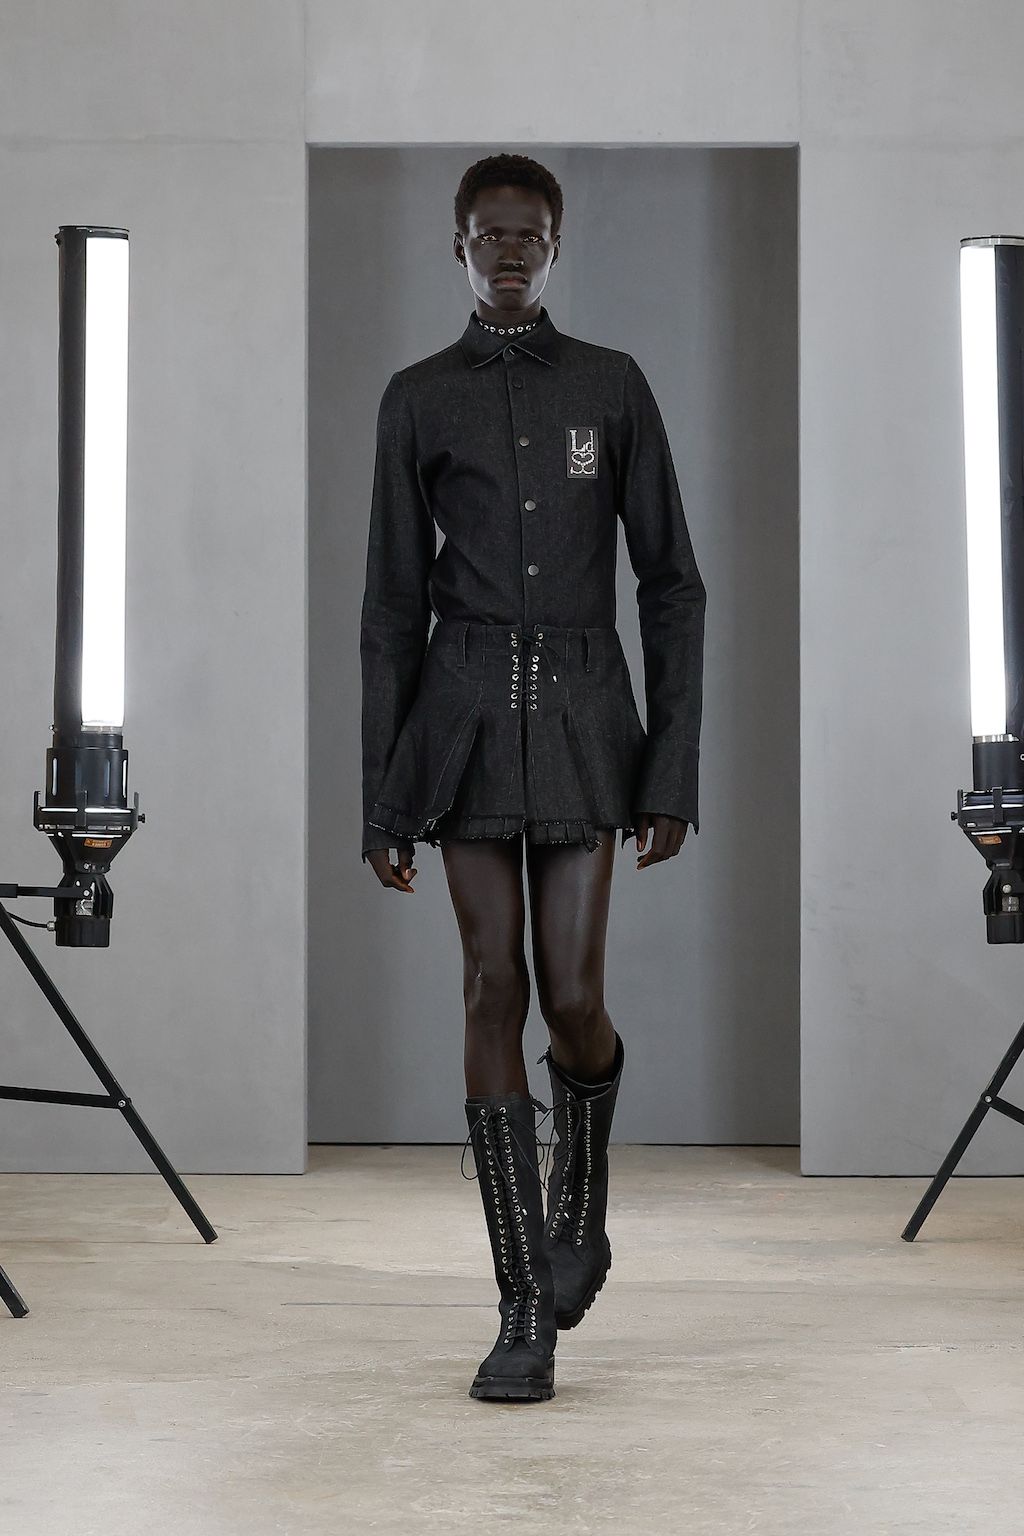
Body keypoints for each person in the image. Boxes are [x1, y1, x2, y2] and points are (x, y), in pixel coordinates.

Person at [359, 153, 705, 1402]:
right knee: (488, 985)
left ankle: (583, 1195)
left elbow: (672, 585)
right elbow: (389, 608)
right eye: (488, 233)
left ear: (556, 246)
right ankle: (520, 1307)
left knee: (571, 997)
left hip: (581, 722)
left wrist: (671, 769)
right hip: (455, 728)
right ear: (455, 245)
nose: (508, 252)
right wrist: (381, 795)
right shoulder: (416, 397)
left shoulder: (610, 385)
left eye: (529, 234)